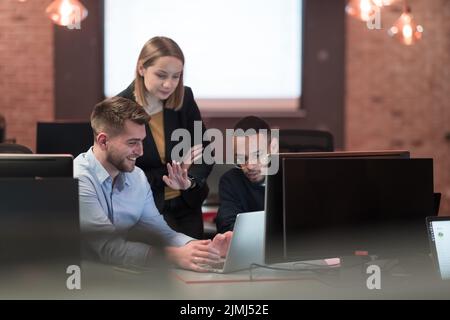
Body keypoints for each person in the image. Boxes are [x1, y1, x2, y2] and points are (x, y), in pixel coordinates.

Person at [74, 97, 231, 271]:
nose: (140, 152)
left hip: (121, 273)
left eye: (142, 141)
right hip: (82, 280)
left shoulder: (137, 177)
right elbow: (107, 247)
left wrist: (204, 249)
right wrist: (170, 255)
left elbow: (161, 232)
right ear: (103, 141)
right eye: (132, 142)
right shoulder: (79, 179)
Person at [118, 36, 212, 239]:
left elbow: (205, 150)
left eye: (176, 76)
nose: (169, 84)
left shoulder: (184, 98)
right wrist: (176, 172)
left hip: (188, 203)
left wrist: (189, 181)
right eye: (161, 75)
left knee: (199, 264)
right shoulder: (120, 109)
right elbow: (124, 173)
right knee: (165, 268)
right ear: (142, 68)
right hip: (148, 208)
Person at [215, 116, 278, 233]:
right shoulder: (230, 181)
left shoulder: (290, 177)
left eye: (257, 155)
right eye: (241, 158)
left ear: (273, 148)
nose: (249, 166)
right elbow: (226, 226)